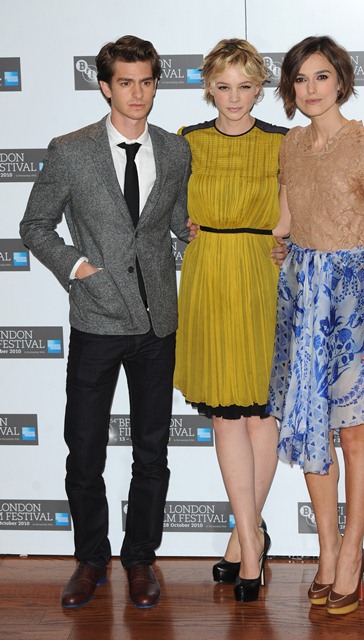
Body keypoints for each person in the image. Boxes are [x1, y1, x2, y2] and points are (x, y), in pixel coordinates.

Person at [20, 35, 191, 609]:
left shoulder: (175, 150)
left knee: (152, 450)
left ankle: (141, 559)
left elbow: (179, 223)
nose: (137, 93)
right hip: (96, 320)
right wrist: (79, 268)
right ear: (104, 86)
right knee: (85, 448)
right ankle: (91, 559)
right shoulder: (71, 151)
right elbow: (35, 226)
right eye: (125, 82)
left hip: (158, 322)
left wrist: (207, 238)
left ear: (155, 84)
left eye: (146, 81)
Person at [269, 35, 364, 615]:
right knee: (313, 431)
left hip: (351, 300)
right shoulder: (292, 145)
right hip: (302, 296)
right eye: (300, 79)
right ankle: (326, 552)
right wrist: (273, 243)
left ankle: (352, 554)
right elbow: (285, 221)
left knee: (354, 434)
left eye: (321, 77)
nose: (311, 89)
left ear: (342, 81)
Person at [173, 38, 288, 603]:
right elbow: (166, 209)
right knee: (225, 415)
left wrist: (285, 240)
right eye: (223, 87)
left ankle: (244, 543)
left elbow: (295, 212)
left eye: (245, 86)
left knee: (261, 414)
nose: (234, 97)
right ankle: (251, 538)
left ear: (260, 87)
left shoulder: (283, 143)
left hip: (261, 272)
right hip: (208, 274)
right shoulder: (187, 141)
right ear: (208, 88)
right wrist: (182, 226)